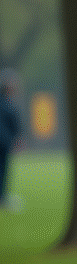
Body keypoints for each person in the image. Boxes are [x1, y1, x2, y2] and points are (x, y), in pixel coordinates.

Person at [0, 70, 22, 212]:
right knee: (3, 170)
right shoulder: (8, 104)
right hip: (4, 143)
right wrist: (17, 138)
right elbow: (14, 122)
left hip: (4, 142)